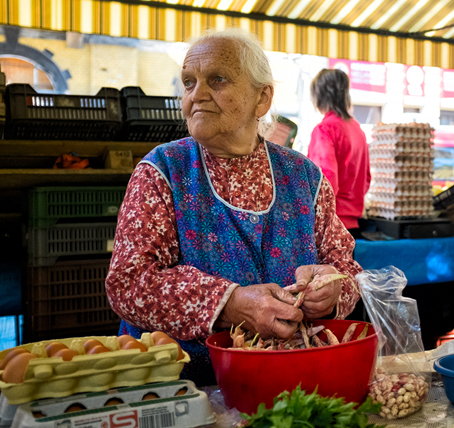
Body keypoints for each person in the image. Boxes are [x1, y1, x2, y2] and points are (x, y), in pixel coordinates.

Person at [105, 29, 362, 385]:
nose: (197, 95)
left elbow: (345, 266)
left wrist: (332, 292)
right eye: (189, 82)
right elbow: (128, 284)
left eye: (218, 80)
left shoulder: (304, 177)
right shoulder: (163, 171)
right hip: (183, 388)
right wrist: (228, 304)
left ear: (262, 99)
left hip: (289, 382)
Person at [308, 69, 371, 238]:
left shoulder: (324, 130)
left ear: (319, 96)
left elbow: (325, 182)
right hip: (353, 227)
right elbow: (365, 180)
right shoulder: (358, 130)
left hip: (331, 228)